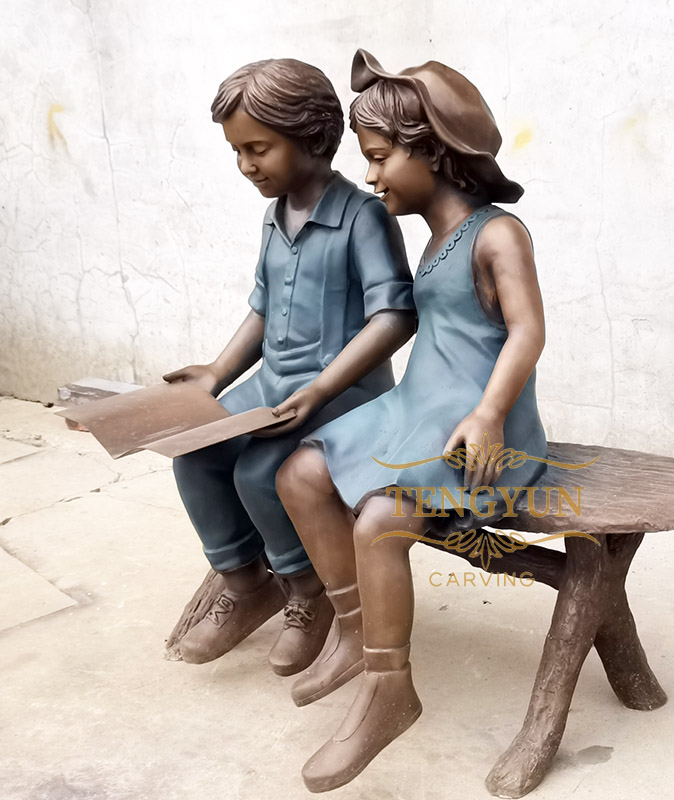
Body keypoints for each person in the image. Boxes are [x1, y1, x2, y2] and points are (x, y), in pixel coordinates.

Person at [276, 50, 548, 791]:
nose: (370, 176)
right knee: (300, 473)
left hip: (483, 428)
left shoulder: (499, 234)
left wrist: (490, 412)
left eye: (379, 157)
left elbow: (526, 331)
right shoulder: (432, 241)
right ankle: (355, 629)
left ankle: (388, 687)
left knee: (379, 519)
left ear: (431, 149)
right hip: (418, 407)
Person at [165, 58, 416, 674]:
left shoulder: (364, 217)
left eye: (259, 148)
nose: (248, 165)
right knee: (192, 451)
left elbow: (396, 316)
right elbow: (261, 308)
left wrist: (323, 387)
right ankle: (247, 585)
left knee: (259, 471)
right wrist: (216, 375)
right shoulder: (274, 217)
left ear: (311, 136)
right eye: (238, 152)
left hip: (345, 392)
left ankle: (307, 595)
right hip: (275, 383)